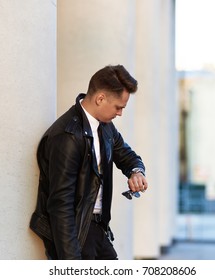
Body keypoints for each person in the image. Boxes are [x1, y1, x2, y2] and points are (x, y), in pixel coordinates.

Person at [30, 65, 148, 260]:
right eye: (118, 107)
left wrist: (136, 171)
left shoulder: (106, 128)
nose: (120, 113)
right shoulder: (67, 136)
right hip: (76, 233)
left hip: (96, 229)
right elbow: (61, 204)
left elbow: (127, 156)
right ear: (100, 98)